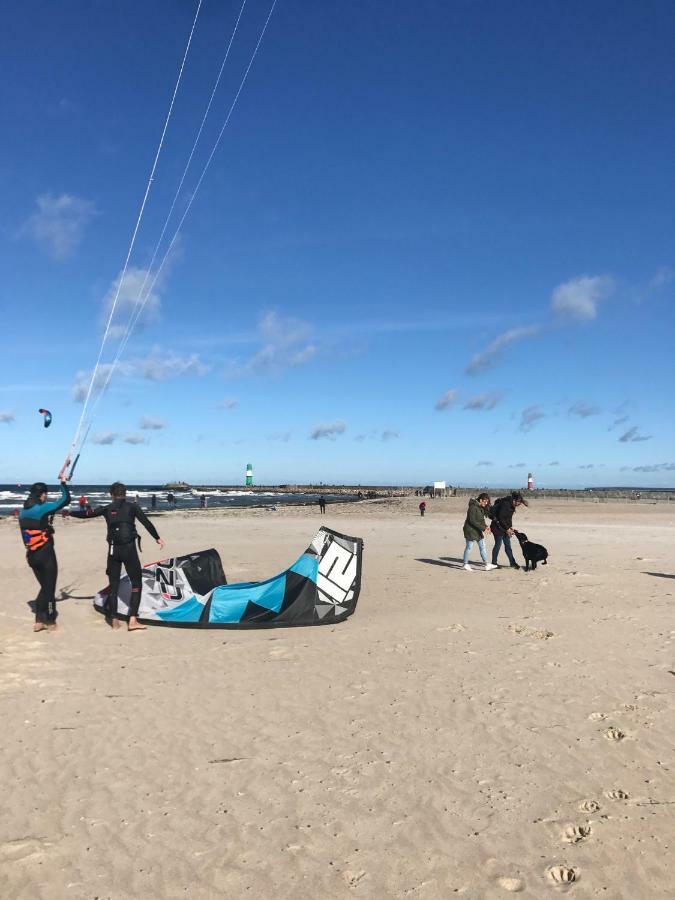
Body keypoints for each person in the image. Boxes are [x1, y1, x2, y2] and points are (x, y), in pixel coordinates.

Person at [71, 481, 165, 632]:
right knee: (136, 584)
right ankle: (133, 620)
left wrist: (69, 513)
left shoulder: (107, 508)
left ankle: (114, 620)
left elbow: (87, 514)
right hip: (129, 550)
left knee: (114, 585)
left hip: (113, 551)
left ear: (112, 495)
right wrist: (157, 538)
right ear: (125, 493)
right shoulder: (133, 507)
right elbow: (147, 523)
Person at [19, 478, 71, 631]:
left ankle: (38, 621)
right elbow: (65, 500)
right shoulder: (41, 509)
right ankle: (50, 620)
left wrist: (46, 528)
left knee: (44, 587)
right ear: (41, 495)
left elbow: (32, 531)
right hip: (45, 554)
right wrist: (63, 483)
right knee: (49, 589)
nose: (46, 498)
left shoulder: (23, 512)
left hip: (31, 556)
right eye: (45, 495)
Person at [490, 490, 528, 568]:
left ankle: (512, 562)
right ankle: (494, 563)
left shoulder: (512, 506)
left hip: (505, 528)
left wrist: (510, 528)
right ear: (514, 500)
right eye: (518, 502)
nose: (518, 504)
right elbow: (501, 518)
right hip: (497, 527)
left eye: (520, 503)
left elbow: (508, 518)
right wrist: (507, 529)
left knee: (508, 546)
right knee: (498, 545)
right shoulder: (505, 504)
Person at [462, 492, 497, 572]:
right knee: (469, 547)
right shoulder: (473, 507)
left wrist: (486, 527)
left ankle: (487, 564)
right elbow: (472, 520)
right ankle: (465, 564)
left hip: (477, 530)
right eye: (484, 501)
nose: (486, 503)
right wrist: (483, 528)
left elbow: (480, 520)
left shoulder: (480, 507)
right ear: (480, 500)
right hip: (470, 530)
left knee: (482, 546)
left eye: (487, 502)